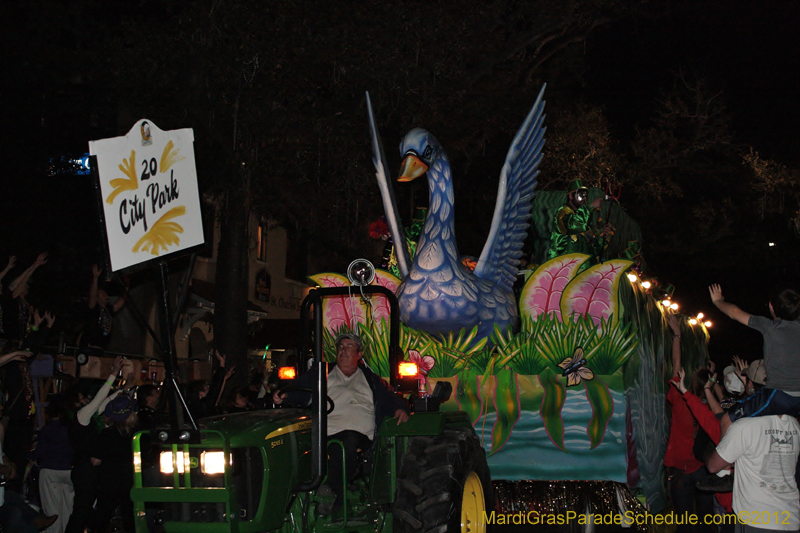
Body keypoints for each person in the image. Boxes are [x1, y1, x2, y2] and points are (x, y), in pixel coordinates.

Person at [273, 333, 410, 516]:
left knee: (346, 442)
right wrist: (284, 394)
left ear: (359, 354)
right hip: (322, 434)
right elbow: (297, 390)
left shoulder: (371, 380)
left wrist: (401, 409)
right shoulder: (321, 373)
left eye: (349, 347)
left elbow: (391, 399)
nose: (343, 350)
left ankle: (333, 498)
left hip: (357, 437)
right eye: (340, 347)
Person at [708, 284, 800, 435]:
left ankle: (726, 458)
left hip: (779, 395)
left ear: (771, 307)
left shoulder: (770, 327)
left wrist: (718, 301)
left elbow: (734, 312)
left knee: (726, 420)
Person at [663, 314, 715, 533]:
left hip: (681, 469)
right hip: (704, 469)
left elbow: (676, 364)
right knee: (705, 521)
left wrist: (677, 334)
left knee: (684, 522)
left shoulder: (680, 398)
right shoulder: (710, 407)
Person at [707, 414, 800, 533]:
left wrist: (707, 455)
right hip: (790, 518)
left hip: (757, 518)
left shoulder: (745, 426)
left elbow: (713, 466)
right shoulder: (794, 424)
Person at [547, 179, 610, 261]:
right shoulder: (563, 213)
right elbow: (573, 226)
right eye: (580, 196)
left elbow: (594, 251)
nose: (584, 199)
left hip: (583, 270)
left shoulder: (583, 219)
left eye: (585, 196)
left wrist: (602, 237)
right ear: (570, 196)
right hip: (565, 267)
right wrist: (590, 206)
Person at [82, 264, 126, 353]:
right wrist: (95, 278)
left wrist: (126, 285)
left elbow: (120, 302)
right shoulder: (94, 308)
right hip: (90, 348)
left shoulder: (108, 310)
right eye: (103, 295)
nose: (106, 296)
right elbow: (92, 296)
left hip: (102, 349)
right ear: (98, 298)